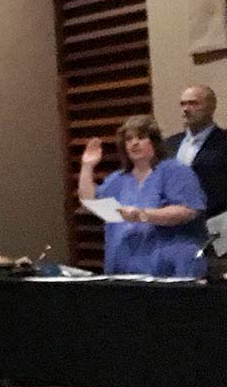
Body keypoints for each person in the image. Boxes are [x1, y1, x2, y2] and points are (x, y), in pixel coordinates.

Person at [79, 114, 208, 278]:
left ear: (154, 141)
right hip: (124, 269)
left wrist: (143, 215)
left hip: (170, 268)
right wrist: (87, 166)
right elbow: (88, 201)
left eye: (141, 137)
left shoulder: (175, 171)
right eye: (129, 139)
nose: (134, 143)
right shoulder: (118, 179)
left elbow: (187, 210)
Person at [173, 85, 227, 217]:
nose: (186, 109)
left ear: (211, 107)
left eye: (193, 103)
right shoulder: (169, 145)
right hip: (174, 228)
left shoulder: (224, 142)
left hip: (215, 225)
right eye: (183, 104)